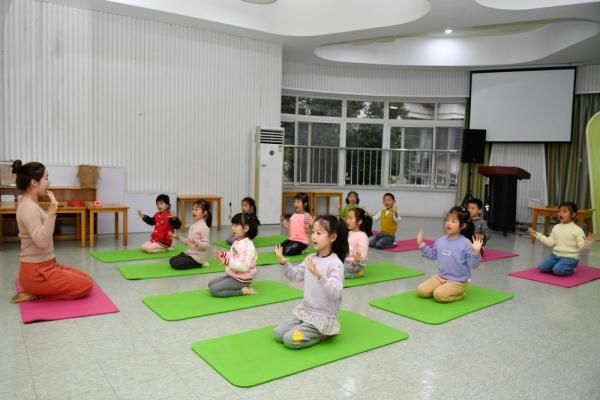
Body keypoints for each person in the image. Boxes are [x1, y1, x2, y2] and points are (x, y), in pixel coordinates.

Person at [10, 160, 93, 303]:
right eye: (46, 178)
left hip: (47, 265)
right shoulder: (28, 208)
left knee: (87, 278)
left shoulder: (31, 204)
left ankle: (37, 291)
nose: (49, 183)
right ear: (34, 182)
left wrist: (50, 213)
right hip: (37, 273)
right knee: (86, 286)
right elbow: (42, 241)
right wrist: (52, 212)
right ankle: (36, 294)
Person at [274, 215, 348, 349]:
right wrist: (283, 262)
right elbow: (295, 276)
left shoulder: (335, 264)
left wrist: (320, 276)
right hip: (306, 311)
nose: (313, 236)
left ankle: (324, 332)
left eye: (319, 233)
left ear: (332, 237)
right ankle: (306, 328)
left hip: (322, 317)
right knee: (278, 333)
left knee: (289, 339)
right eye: (312, 232)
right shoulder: (310, 258)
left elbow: (336, 293)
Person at [416, 206, 483, 303]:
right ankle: (443, 288)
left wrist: (476, 252)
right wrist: (421, 244)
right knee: (421, 291)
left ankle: (460, 294)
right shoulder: (440, 241)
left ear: (463, 226)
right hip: (440, 277)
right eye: (447, 220)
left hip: (458, 281)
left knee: (438, 295)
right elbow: (433, 255)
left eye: (453, 221)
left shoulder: (466, 243)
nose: (448, 223)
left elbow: (473, 265)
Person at [528, 202, 593, 276]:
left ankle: (571, 268)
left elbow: (581, 247)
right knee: (542, 268)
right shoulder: (556, 227)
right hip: (555, 256)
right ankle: (559, 265)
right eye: (559, 211)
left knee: (557, 270)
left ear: (573, 215)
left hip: (570, 258)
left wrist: (587, 242)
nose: (560, 213)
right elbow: (550, 242)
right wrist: (536, 234)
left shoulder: (578, 230)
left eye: (564, 211)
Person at [209, 213, 259, 297]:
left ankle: (243, 291)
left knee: (214, 290)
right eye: (232, 225)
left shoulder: (247, 247)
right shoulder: (238, 240)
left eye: (235, 226)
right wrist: (223, 254)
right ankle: (237, 287)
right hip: (234, 275)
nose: (232, 228)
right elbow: (232, 254)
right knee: (211, 284)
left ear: (246, 228)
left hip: (241, 280)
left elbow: (243, 267)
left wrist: (227, 261)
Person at [169, 199, 212, 269]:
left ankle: (200, 263)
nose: (193, 212)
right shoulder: (193, 226)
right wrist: (177, 237)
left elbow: (206, 246)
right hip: (189, 254)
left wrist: (197, 243)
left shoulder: (204, 228)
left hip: (197, 257)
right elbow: (188, 242)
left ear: (205, 213)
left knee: (176, 264)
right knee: (172, 260)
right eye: (193, 209)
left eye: (196, 210)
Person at [344, 207, 372, 279]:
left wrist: (358, 259)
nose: (347, 220)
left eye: (350, 218)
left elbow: (363, 253)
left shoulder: (362, 236)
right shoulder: (349, 232)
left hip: (356, 263)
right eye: (347, 218)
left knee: (339, 273)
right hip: (346, 260)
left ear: (359, 222)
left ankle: (356, 274)